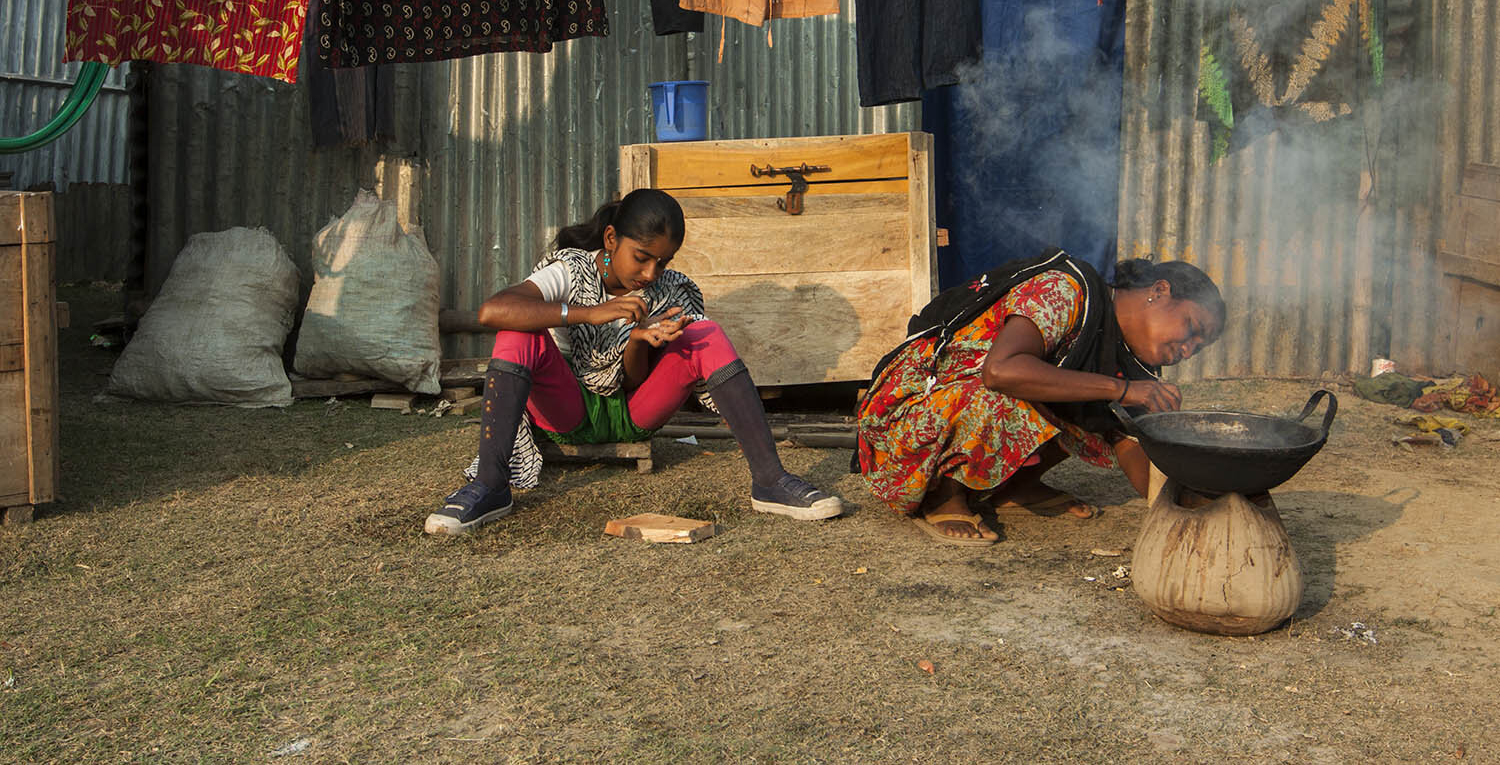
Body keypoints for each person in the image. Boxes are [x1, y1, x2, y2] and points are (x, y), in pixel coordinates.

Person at [425, 188, 844, 534]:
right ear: (611, 239)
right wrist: (589, 313)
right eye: (641, 257)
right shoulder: (572, 270)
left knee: (705, 333)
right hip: (566, 410)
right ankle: (490, 486)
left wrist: (639, 342)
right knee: (517, 332)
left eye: (663, 262)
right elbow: (492, 312)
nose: (650, 273)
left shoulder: (672, 290)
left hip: (633, 412)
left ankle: (771, 481)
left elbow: (633, 381)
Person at [855, 248, 1224, 546]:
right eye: (1192, 328)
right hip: (905, 422)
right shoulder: (1064, 290)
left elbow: (1128, 441)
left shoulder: (1127, 357)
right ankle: (943, 493)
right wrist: (1121, 390)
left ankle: (1015, 487)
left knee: (1094, 415)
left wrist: (1185, 511)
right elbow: (1000, 372)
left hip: (957, 404)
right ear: (1158, 292)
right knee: (1011, 387)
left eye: (1199, 347)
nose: (1188, 350)